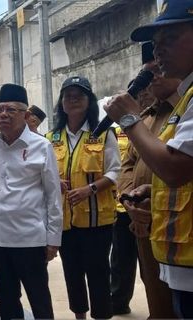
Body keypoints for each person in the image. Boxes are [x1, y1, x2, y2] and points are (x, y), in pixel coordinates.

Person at [105, 1, 193, 316]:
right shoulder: (178, 107)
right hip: (163, 240)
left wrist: (129, 120)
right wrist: (141, 194)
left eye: (169, 39)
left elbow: (174, 168)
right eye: (155, 45)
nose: (158, 53)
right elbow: (133, 165)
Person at [0, 84, 62, 320]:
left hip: (30, 238)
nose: (3, 115)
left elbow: (53, 196)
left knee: (39, 298)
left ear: (25, 115)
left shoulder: (41, 146)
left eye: (10, 110)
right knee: (8, 301)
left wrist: (53, 239)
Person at [46, 76, 120, 319]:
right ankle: (79, 316)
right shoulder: (51, 137)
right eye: (68, 96)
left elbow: (115, 171)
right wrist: (53, 182)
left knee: (99, 273)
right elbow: (42, 174)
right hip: (65, 220)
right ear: (62, 103)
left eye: (79, 95)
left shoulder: (103, 133)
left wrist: (90, 189)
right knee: (72, 272)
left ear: (89, 101)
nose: (73, 100)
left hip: (97, 220)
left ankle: (102, 316)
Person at [116, 41, 180, 318]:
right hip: (143, 221)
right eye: (147, 71)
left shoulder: (185, 112)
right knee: (156, 294)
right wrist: (130, 199)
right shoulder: (147, 116)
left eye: (158, 69)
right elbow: (127, 163)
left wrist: (154, 197)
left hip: (179, 226)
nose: (152, 76)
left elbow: (179, 168)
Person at [109, 42, 157, 316]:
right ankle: (120, 301)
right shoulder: (132, 124)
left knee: (156, 269)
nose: (145, 95)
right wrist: (128, 198)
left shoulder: (175, 114)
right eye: (140, 92)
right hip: (128, 208)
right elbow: (126, 165)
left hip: (161, 211)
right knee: (123, 261)